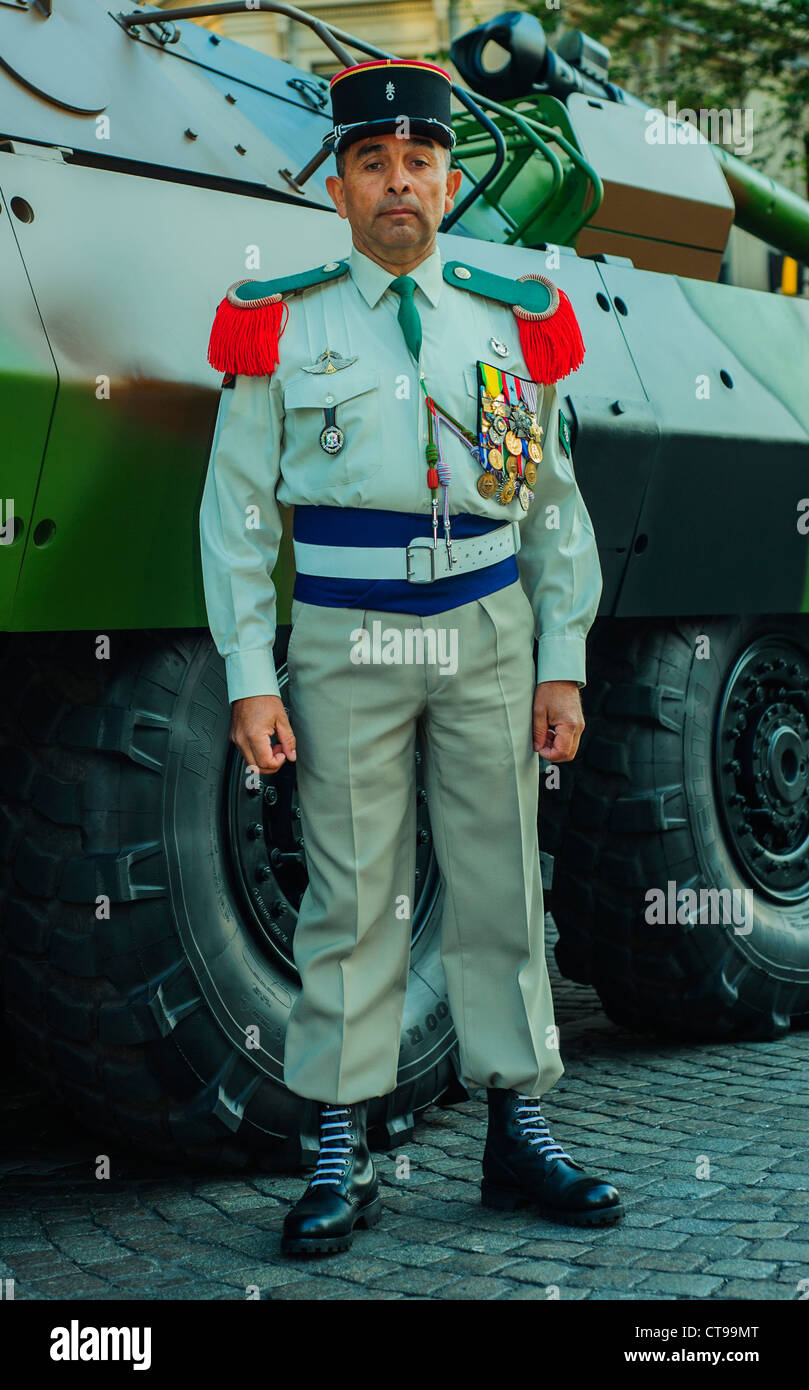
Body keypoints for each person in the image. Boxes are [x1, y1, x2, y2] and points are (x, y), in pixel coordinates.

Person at [199, 57, 623, 1257]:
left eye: (420, 163)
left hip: (488, 627)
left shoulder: (505, 317)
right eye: (373, 165)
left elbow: (549, 505)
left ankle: (517, 1127)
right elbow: (232, 517)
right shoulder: (279, 321)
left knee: (501, 880)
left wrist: (562, 657)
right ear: (337, 187)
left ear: (447, 181)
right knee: (350, 891)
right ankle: (341, 1140)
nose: (399, 185)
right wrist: (247, 671)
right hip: (342, 634)